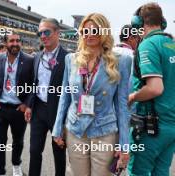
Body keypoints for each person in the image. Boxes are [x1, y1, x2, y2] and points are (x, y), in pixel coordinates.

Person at [52, 13, 131, 176]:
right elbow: (64, 97)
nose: (89, 35)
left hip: (104, 131)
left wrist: (124, 144)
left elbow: (122, 105)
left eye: (94, 31)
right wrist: (57, 128)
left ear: (103, 32)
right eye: (85, 31)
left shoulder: (121, 61)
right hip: (76, 130)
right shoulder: (71, 59)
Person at [128, 3, 175, 176]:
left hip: (152, 126)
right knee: (161, 172)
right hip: (171, 126)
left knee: (138, 171)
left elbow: (155, 88)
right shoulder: (171, 43)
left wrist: (133, 96)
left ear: (139, 23)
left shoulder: (148, 44)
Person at [24, 18, 68, 176]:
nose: (43, 36)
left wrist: (66, 118)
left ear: (57, 33)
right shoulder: (37, 57)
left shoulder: (68, 58)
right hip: (38, 109)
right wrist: (29, 105)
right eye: (40, 33)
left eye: (47, 32)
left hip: (58, 111)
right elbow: (33, 84)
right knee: (34, 150)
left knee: (59, 151)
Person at [0, 32, 34, 176]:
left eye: (18, 40)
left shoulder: (29, 60)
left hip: (18, 109)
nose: (15, 43)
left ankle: (16, 164)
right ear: (5, 43)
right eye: (12, 41)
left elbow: (34, 85)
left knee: (18, 141)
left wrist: (26, 104)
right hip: (0, 108)